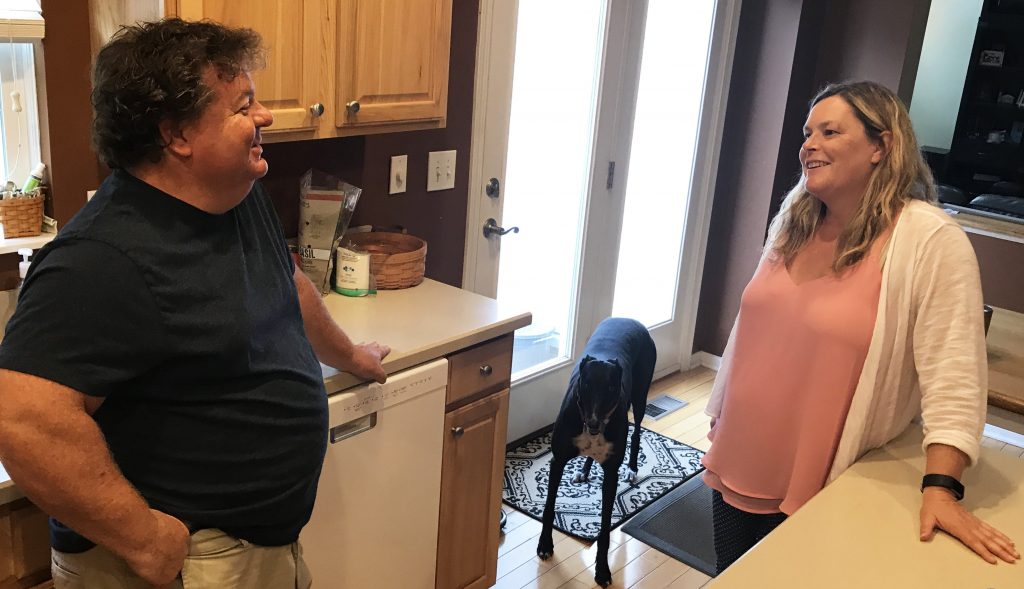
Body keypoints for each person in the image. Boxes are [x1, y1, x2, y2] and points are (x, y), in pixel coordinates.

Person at [0, 19, 390, 589]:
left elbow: (287, 285)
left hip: (255, 551)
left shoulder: (237, 195)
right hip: (189, 563)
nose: (265, 117)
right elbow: (20, 419)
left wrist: (350, 355)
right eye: (243, 107)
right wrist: (146, 539)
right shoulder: (103, 258)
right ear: (176, 134)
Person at [701, 80, 1020, 573]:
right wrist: (721, 412)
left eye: (829, 132)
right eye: (808, 133)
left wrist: (941, 488)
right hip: (739, 452)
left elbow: (955, 374)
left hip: (827, 477)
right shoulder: (795, 218)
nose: (809, 145)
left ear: (881, 146)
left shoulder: (930, 239)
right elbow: (753, 327)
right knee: (731, 574)